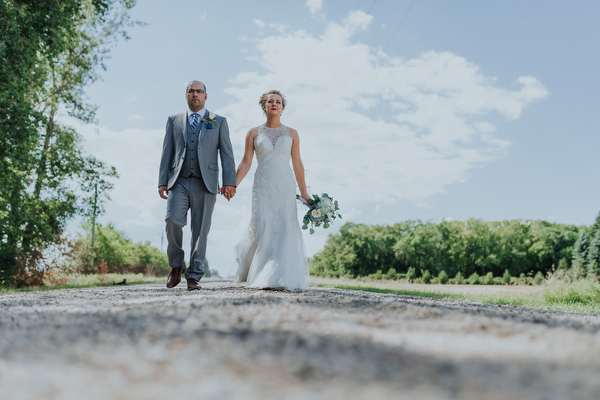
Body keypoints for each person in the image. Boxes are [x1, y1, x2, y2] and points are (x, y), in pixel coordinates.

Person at [158, 80, 236, 291]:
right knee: (172, 220)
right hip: (179, 180)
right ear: (186, 95)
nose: (195, 94)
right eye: (191, 91)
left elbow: (227, 153)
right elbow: (167, 152)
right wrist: (162, 181)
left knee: (200, 230)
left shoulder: (217, 121)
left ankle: (194, 275)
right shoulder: (173, 120)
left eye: (199, 91)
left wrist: (230, 182)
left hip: (206, 182)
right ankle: (176, 266)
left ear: (205, 96)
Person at [234, 90, 310, 290]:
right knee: (263, 225)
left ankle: (280, 276)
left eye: (278, 102)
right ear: (264, 106)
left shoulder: (292, 133)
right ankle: (260, 274)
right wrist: (232, 185)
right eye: (270, 101)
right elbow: (245, 163)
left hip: (285, 185)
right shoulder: (253, 133)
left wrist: (304, 193)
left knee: (284, 226)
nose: (274, 104)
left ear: (282, 107)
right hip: (262, 186)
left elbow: (298, 164)